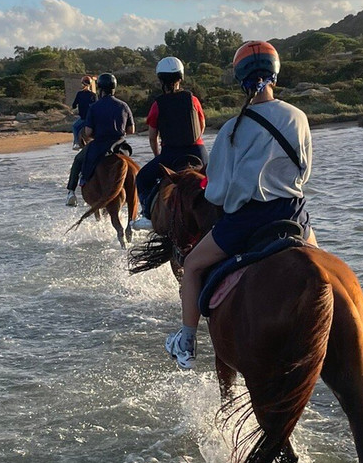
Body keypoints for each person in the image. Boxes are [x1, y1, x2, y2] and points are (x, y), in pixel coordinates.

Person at [164, 40, 313, 370]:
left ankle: (186, 343)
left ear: (240, 79)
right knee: (324, 270)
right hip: (294, 214)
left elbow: (216, 193)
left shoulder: (233, 128)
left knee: (192, 266)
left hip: (248, 221)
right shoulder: (298, 116)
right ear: (275, 74)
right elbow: (305, 172)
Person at [131, 56, 208, 230]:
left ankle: (147, 215)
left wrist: (158, 156)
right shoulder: (193, 100)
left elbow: (152, 137)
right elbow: (202, 125)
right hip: (197, 151)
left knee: (142, 179)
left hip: (170, 154)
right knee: (216, 178)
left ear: (160, 80)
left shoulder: (157, 105)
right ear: (181, 77)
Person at [66, 72, 134, 205]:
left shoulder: (94, 107)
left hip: (99, 145)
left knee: (78, 160)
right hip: (120, 145)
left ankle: (71, 193)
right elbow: (131, 130)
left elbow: (88, 132)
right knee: (132, 168)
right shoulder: (123, 106)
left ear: (100, 89)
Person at [70, 75, 97, 150]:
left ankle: (76, 143)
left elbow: (74, 105)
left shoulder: (80, 94)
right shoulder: (93, 95)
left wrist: (73, 108)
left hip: (84, 118)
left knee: (75, 127)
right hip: (92, 119)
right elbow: (96, 107)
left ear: (82, 84)